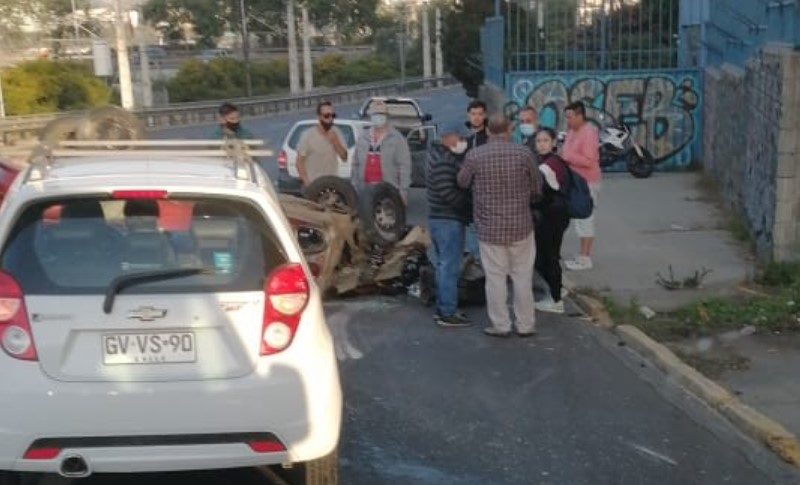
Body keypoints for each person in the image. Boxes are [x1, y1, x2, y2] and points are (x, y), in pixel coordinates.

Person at [457, 114, 543, 338]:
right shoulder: (524, 154)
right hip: (520, 226)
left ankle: (501, 325)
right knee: (522, 277)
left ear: (487, 131)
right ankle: (526, 324)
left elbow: (462, 182)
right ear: (509, 129)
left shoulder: (475, 155)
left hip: (489, 228)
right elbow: (537, 188)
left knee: (495, 278)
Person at [426, 121, 472, 328]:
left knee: (444, 265)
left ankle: (444, 307)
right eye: (460, 138)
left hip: (440, 219)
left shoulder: (436, 156)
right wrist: (467, 206)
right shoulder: (444, 160)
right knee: (449, 267)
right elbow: (448, 193)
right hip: (447, 220)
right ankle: (447, 311)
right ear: (449, 137)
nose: (463, 142)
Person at [531, 128, 571, 314]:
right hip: (556, 214)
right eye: (539, 141)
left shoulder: (548, 165)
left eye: (545, 140)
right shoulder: (552, 161)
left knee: (547, 257)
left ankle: (555, 298)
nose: (541, 144)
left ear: (554, 142)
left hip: (551, 215)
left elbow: (539, 193)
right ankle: (557, 290)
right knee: (549, 255)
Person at [560, 101, 600, 271]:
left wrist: (568, 156)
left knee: (585, 217)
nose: (568, 120)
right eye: (566, 117)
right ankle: (582, 254)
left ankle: (585, 258)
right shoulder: (572, 131)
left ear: (580, 116)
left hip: (587, 181)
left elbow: (589, 160)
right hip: (574, 181)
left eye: (570, 117)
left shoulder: (589, 132)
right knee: (577, 217)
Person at [352, 100, 412, 205]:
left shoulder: (397, 138)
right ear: (371, 116)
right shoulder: (363, 138)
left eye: (381, 114)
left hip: (388, 192)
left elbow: (404, 166)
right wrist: (354, 187)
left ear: (387, 116)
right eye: (375, 114)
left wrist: (403, 191)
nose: (378, 117)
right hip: (364, 192)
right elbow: (355, 164)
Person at [296, 101, 348, 186]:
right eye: (327, 116)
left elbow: (344, 157)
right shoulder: (308, 135)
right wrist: (308, 183)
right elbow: (299, 162)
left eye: (333, 116)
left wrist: (335, 142)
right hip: (314, 184)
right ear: (319, 117)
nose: (330, 119)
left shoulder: (336, 132)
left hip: (332, 184)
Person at [463, 100, 488, 264]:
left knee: (484, 224)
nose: (477, 118)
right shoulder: (464, 136)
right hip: (467, 189)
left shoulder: (488, 137)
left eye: (480, 114)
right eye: (473, 114)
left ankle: (483, 258)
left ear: (484, 115)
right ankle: (475, 258)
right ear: (468, 115)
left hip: (486, 188)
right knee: (470, 224)